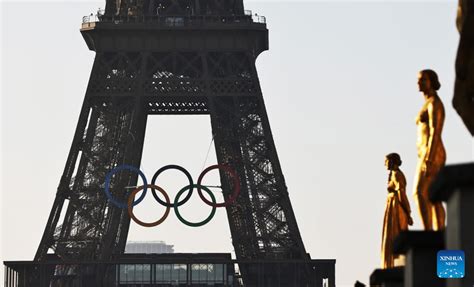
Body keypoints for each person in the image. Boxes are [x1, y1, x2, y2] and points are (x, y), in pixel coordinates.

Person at [414, 69, 446, 230]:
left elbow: (435, 131)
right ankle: (436, 231)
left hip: (432, 152)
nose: (419, 82)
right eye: (418, 80)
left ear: (431, 82)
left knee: (420, 192)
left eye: (423, 79)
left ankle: (429, 233)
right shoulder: (427, 102)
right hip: (425, 152)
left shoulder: (434, 103)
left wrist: (430, 158)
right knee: (432, 194)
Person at [381, 153, 413, 269]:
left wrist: (408, 212)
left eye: (386, 161)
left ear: (392, 162)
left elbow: (402, 194)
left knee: (395, 235)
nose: (385, 163)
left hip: (396, 208)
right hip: (392, 206)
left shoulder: (397, 175)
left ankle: (395, 265)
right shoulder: (393, 174)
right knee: (391, 236)